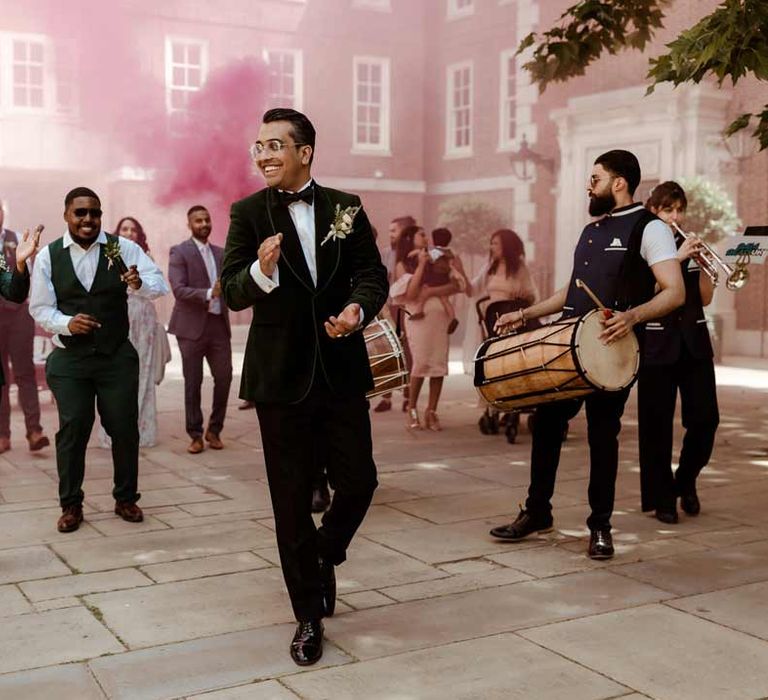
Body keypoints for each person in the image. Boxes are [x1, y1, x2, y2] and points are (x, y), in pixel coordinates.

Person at [221, 108, 388, 666]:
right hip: (279, 378)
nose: (263, 155)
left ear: (305, 152)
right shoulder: (247, 212)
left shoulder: (347, 207)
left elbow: (372, 274)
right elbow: (233, 290)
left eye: (273, 145)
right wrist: (263, 270)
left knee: (360, 481)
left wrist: (357, 308)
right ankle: (308, 617)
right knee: (290, 501)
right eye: (258, 146)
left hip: (340, 369)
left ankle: (324, 554)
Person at [489, 150, 685, 559]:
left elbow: (674, 291)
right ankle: (537, 512)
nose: (587, 185)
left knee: (602, 436)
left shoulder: (651, 230)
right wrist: (523, 313)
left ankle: (600, 526)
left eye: (594, 177)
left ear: (619, 182)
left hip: (611, 353)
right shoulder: (591, 230)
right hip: (568, 346)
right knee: (546, 427)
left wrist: (632, 317)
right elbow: (572, 292)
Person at [29, 187, 168, 533]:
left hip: (115, 355)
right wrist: (67, 323)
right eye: (80, 213)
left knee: (123, 427)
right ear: (66, 215)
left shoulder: (122, 247)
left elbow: (157, 282)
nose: (88, 219)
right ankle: (71, 505)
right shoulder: (49, 256)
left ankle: (125, 498)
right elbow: (39, 307)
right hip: (70, 359)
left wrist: (138, 283)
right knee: (73, 429)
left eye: (94, 213)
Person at [638, 181, 718, 523]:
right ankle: (662, 500)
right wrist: (677, 258)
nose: (676, 215)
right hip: (658, 343)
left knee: (705, 420)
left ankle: (683, 482)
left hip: (694, 343)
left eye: (679, 208)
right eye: (668, 209)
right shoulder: (645, 246)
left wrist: (704, 265)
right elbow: (644, 293)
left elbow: (704, 298)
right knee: (656, 426)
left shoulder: (688, 243)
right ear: (654, 211)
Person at [98, 217, 169, 448]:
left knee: (144, 373)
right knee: (116, 374)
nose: (129, 233)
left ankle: (143, 431)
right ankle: (113, 434)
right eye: (124, 229)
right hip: (116, 317)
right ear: (117, 233)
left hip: (144, 319)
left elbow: (158, 289)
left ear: (139, 234)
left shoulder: (144, 258)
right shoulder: (106, 257)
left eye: (133, 229)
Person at [168, 206, 233, 455]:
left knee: (225, 377)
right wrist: (208, 293)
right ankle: (195, 434)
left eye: (207, 219)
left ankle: (214, 430)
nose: (204, 223)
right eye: (198, 220)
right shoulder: (179, 252)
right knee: (192, 383)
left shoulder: (221, 253)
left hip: (218, 325)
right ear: (189, 224)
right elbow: (179, 290)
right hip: (191, 328)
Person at [390, 225, 463, 431]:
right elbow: (411, 295)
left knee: (438, 365)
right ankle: (412, 409)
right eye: (421, 234)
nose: (425, 237)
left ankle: (432, 411)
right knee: (420, 364)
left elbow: (457, 285)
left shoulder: (436, 258)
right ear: (410, 239)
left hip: (439, 317)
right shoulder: (403, 264)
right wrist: (421, 266)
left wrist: (431, 292)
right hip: (418, 319)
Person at [0, 202, 49, 453]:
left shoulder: (17, 238)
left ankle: (34, 430)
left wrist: (33, 258)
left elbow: (33, 274)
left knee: (25, 372)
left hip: (19, 313)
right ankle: (2, 435)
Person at [373, 215, 416, 413]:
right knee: (387, 349)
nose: (390, 235)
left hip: (405, 308)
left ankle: (408, 395)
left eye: (394, 231)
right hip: (388, 307)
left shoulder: (413, 257)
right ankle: (386, 395)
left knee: (408, 351)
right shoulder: (385, 254)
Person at [408, 227, 465, 334]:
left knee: (425, 293)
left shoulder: (436, 251)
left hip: (438, 278)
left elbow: (428, 257)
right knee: (444, 299)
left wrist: (416, 252)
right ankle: (452, 317)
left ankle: (419, 311)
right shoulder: (450, 252)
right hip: (446, 278)